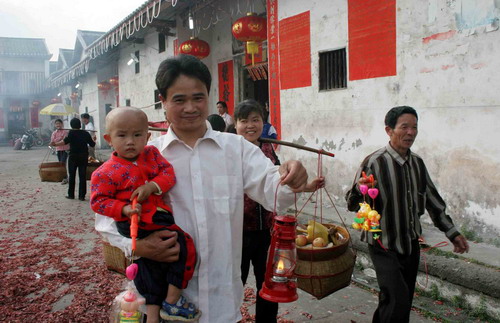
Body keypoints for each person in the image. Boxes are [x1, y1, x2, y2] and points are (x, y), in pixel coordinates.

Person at [95, 54, 309, 323]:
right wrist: (138, 246)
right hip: (163, 301)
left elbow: (274, 192)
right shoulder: (145, 158)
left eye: (198, 98)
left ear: (209, 96)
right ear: (163, 101)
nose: (190, 108)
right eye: (179, 99)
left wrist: (289, 174)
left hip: (222, 299)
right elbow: (105, 221)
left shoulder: (236, 149)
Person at [345, 106, 469, 323]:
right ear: (389, 130)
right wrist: (360, 188)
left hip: (410, 244)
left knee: (396, 301)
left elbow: (432, 200)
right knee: (397, 300)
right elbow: (352, 203)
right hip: (383, 243)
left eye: (414, 127)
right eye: (404, 127)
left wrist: (452, 232)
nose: (411, 132)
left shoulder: (417, 164)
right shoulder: (374, 162)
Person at [90, 107, 199, 322]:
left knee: (160, 260)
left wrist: (152, 187)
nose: (130, 141)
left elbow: (168, 174)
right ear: (108, 138)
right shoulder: (104, 172)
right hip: (135, 221)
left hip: (156, 217)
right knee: (176, 248)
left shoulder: (152, 155)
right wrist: (123, 209)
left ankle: (161, 308)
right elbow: (98, 201)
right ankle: (166, 304)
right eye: (122, 135)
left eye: (137, 135)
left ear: (147, 137)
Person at [234, 99, 323, 322]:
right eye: (244, 121)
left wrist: (304, 186)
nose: (250, 126)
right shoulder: (229, 151)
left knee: (270, 281)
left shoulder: (268, 149)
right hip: (237, 232)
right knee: (235, 283)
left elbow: (280, 182)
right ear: (235, 125)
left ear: (263, 123)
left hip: (267, 231)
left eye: (255, 120)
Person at [50, 118, 95, 201]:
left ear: (71, 125)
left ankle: (71, 194)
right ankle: (82, 196)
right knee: (82, 176)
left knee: (72, 176)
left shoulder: (71, 133)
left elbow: (64, 142)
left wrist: (55, 144)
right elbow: (92, 144)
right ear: (80, 125)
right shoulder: (85, 133)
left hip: (73, 156)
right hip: (83, 156)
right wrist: (94, 138)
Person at [50, 119, 69, 184]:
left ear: (62, 124)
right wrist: (60, 138)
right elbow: (53, 141)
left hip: (65, 149)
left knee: (63, 163)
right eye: (56, 124)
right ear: (55, 125)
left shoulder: (65, 132)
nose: (58, 125)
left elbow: (64, 140)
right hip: (58, 149)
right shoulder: (54, 133)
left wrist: (57, 140)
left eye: (59, 123)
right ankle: (65, 177)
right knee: (60, 164)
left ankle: (65, 178)